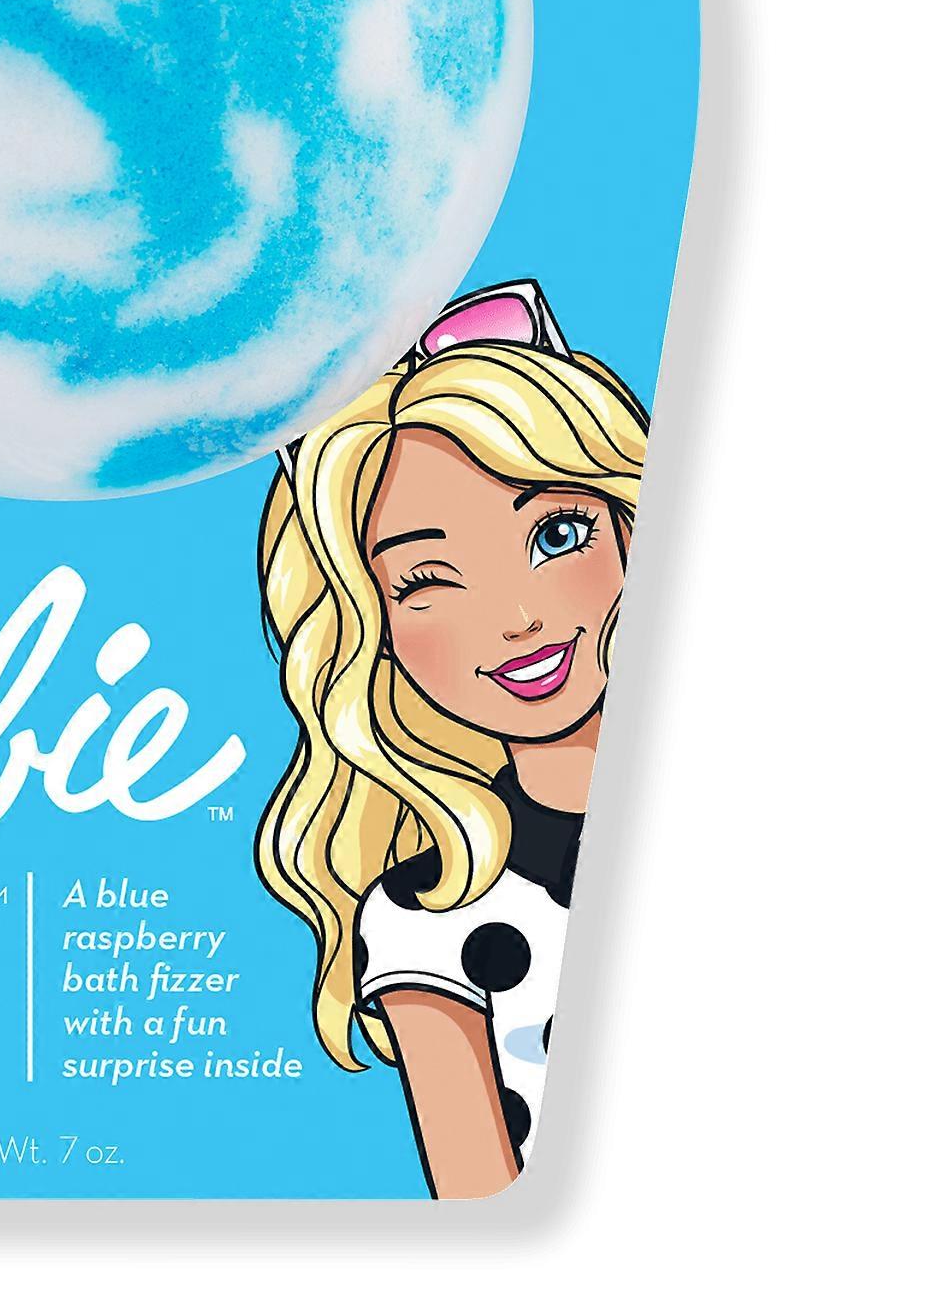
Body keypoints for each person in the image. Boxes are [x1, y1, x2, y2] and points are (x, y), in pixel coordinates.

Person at [254, 280, 648, 1197]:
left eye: (557, 533)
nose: (517, 619)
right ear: (371, 632)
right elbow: (481, 1217)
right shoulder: (431, 919)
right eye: (427, 581)